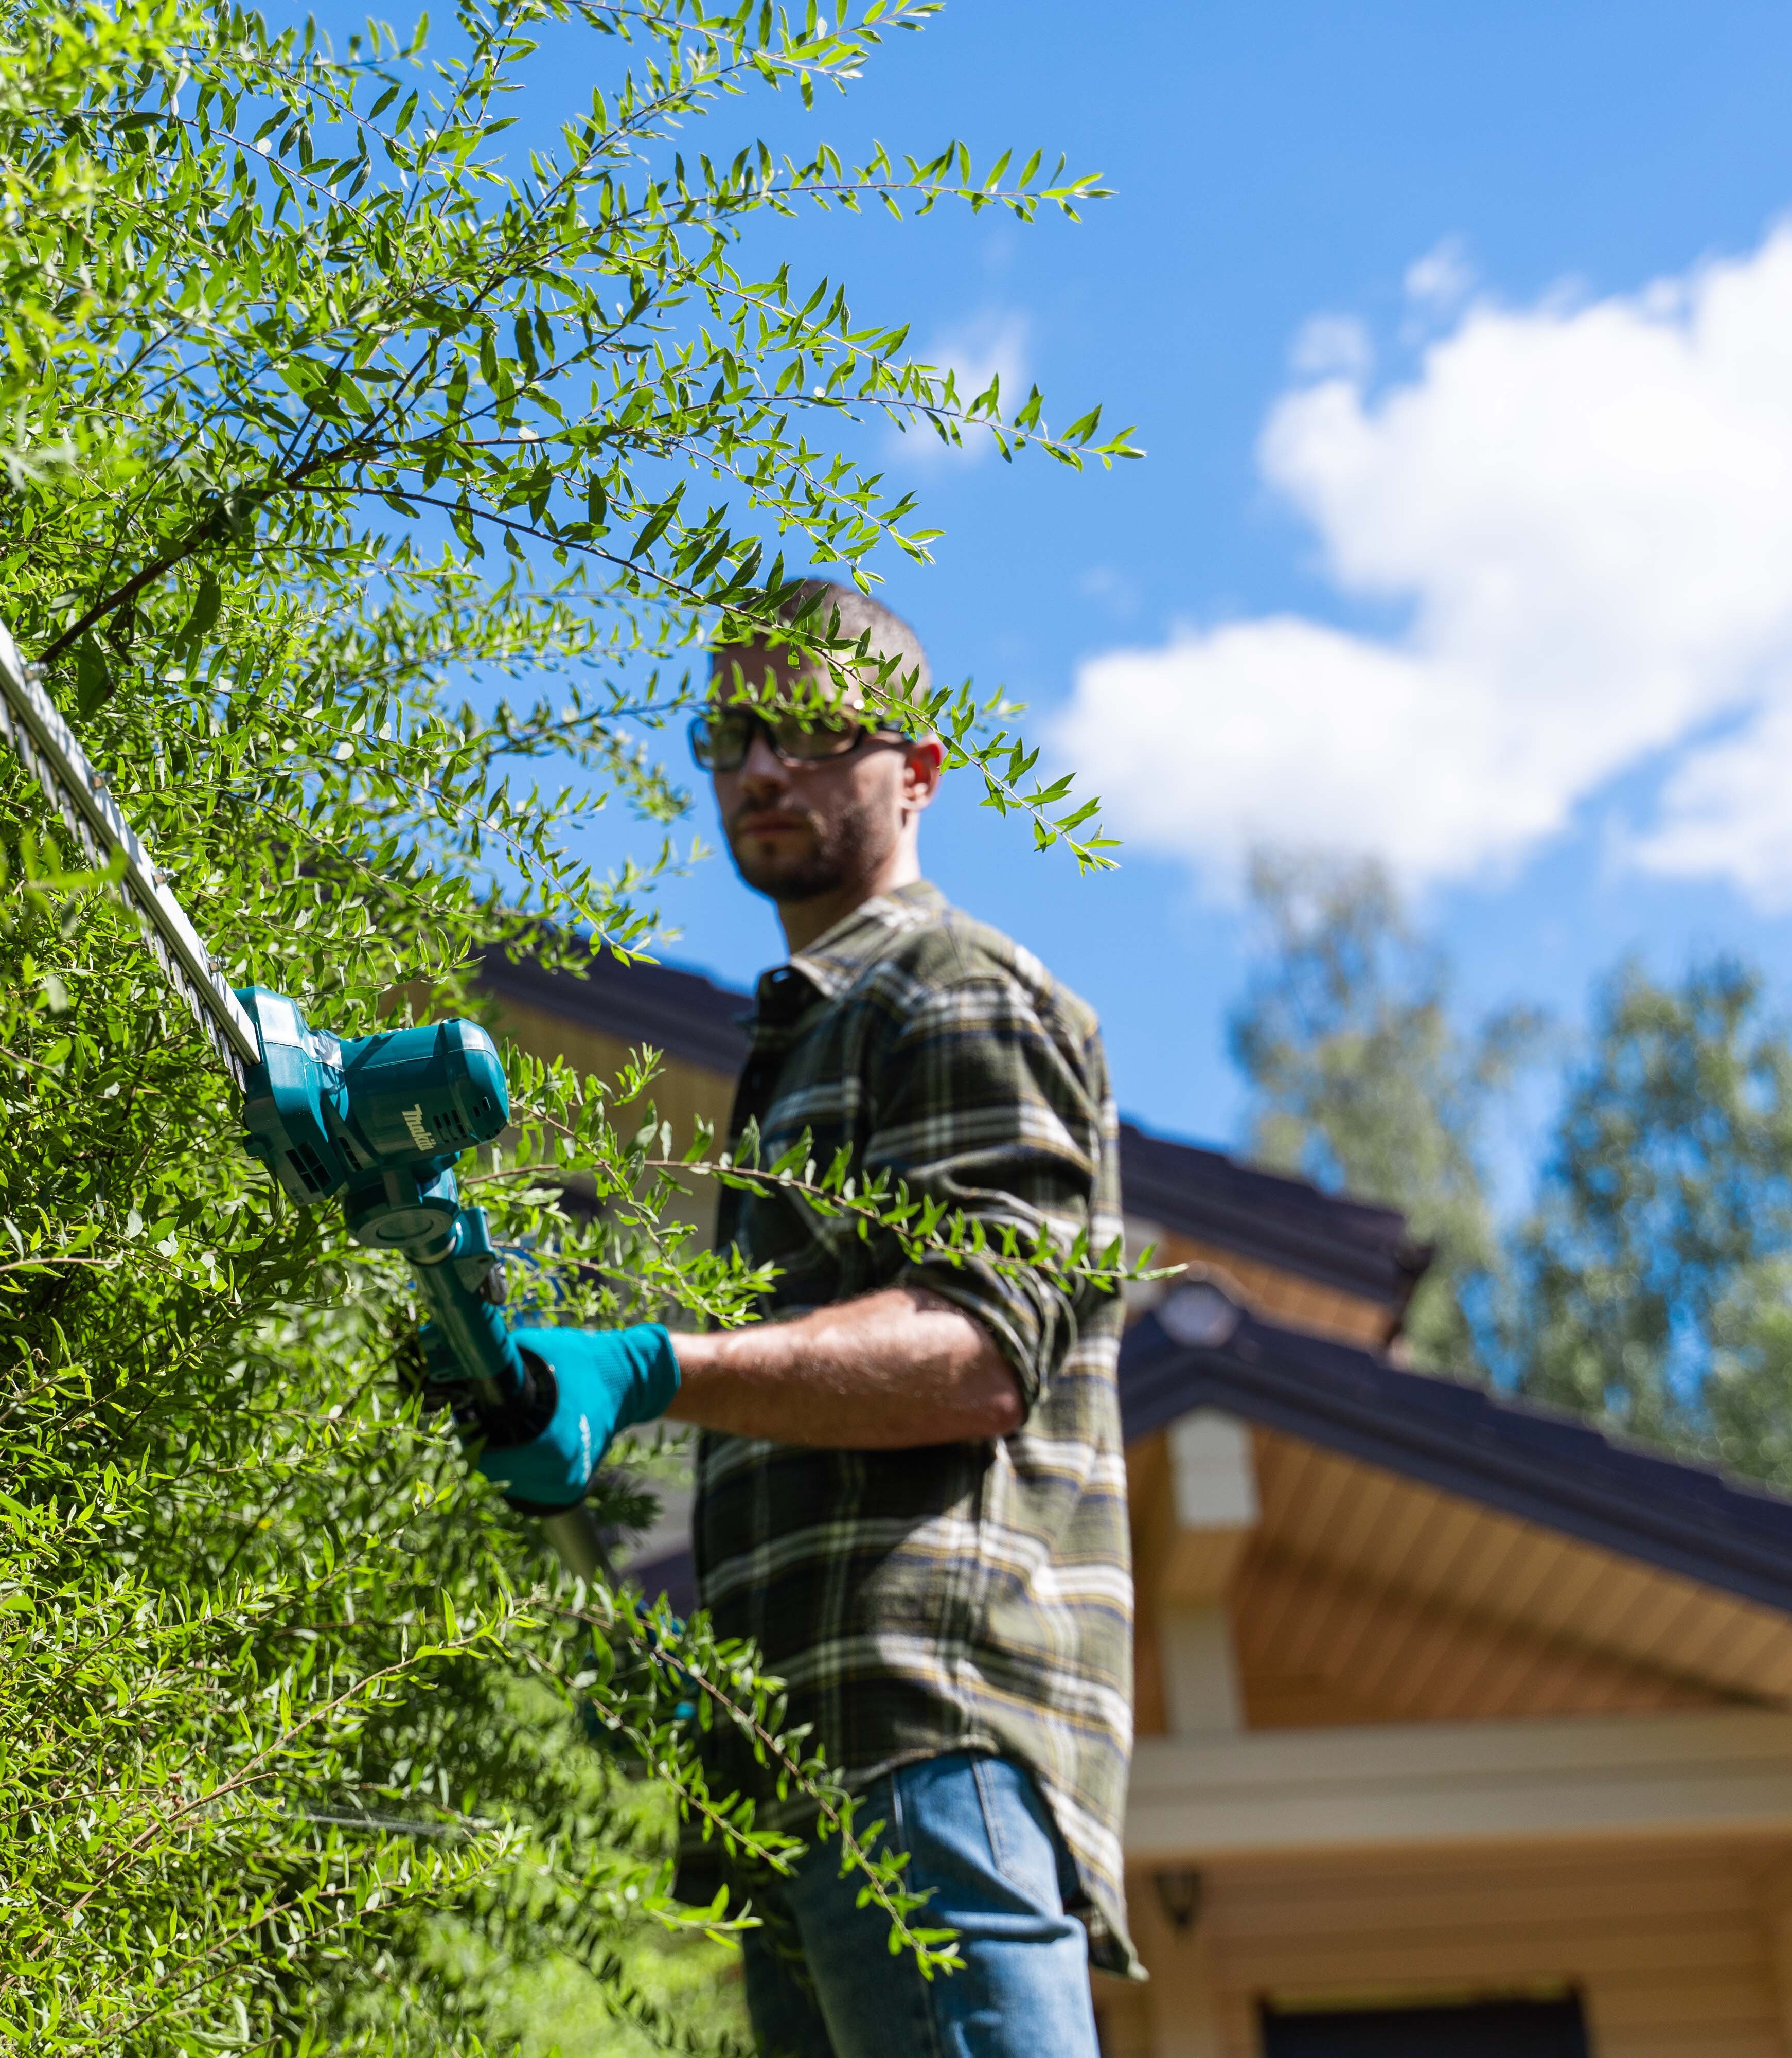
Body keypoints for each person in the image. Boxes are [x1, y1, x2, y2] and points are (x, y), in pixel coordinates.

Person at [469, 580, 1132, 2056]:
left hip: (917, 1734)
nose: (762, 769)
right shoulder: (811, 1028)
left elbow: (974, 1356)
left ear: (918, 767)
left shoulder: (957, 992)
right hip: (793, 1761)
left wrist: (646, 1366)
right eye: (731, 734)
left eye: (812, 730)